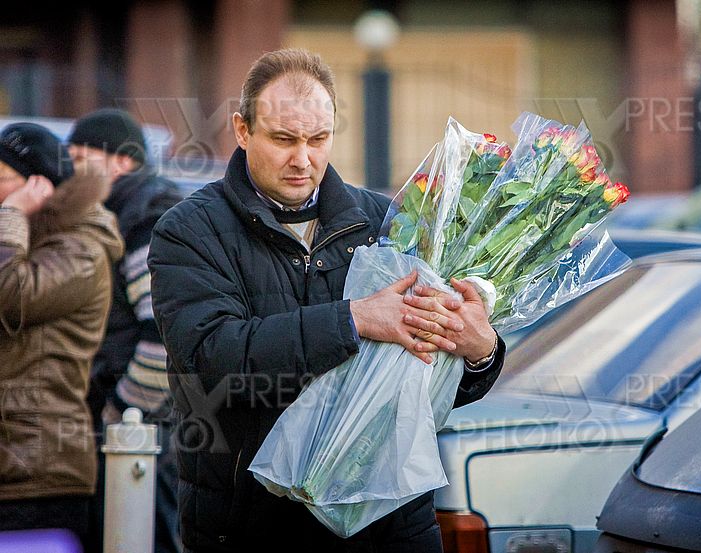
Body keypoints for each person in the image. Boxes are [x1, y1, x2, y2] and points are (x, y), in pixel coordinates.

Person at [147, 48, 505, 553]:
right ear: (243, 130)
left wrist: (479, 351)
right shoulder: (189, 231)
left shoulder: (389, 222)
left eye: (318, 139)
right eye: (283, 139)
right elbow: (211, 359)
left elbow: (430, 390)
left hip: (389, 525)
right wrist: (353, 320)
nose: (303, 158)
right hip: (254, 525)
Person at [0, 123, 124, 544]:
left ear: (41, 187)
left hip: (40, 467)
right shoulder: (23, 243)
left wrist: (12, 214)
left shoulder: (81, 250)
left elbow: (10, 296)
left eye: (3, 181)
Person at [67, 108, 183, 553]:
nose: (70, 173)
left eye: (81, 159)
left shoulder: (142, 218)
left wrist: (120, 415)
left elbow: (162, 340)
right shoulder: (122, 211)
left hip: (144, 431)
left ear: (122, 161)